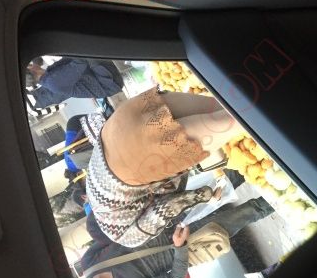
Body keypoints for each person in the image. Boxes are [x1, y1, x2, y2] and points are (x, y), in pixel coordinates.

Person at [82, 86, 245, 248]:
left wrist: (206, 196)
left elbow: (165, 208)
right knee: (233, 102)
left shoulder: (123, 237)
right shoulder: (94, 195)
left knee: (241, 119)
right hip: (121, 121)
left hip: (136, 158)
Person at [77, 197, 274, 278]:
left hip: (169, 212)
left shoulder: (90, 263)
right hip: (190, 239)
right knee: (252, 210)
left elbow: (115, 233)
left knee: (227, 179)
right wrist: (180, 246)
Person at [27, 57, 124, 110]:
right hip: (108, 82)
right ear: (32, 69)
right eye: (29, 65)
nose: (30, 64)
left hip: (97, 75)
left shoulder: (48, 74)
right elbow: (81, 61)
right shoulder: (53, 81)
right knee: (90, 47)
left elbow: (70, 57)